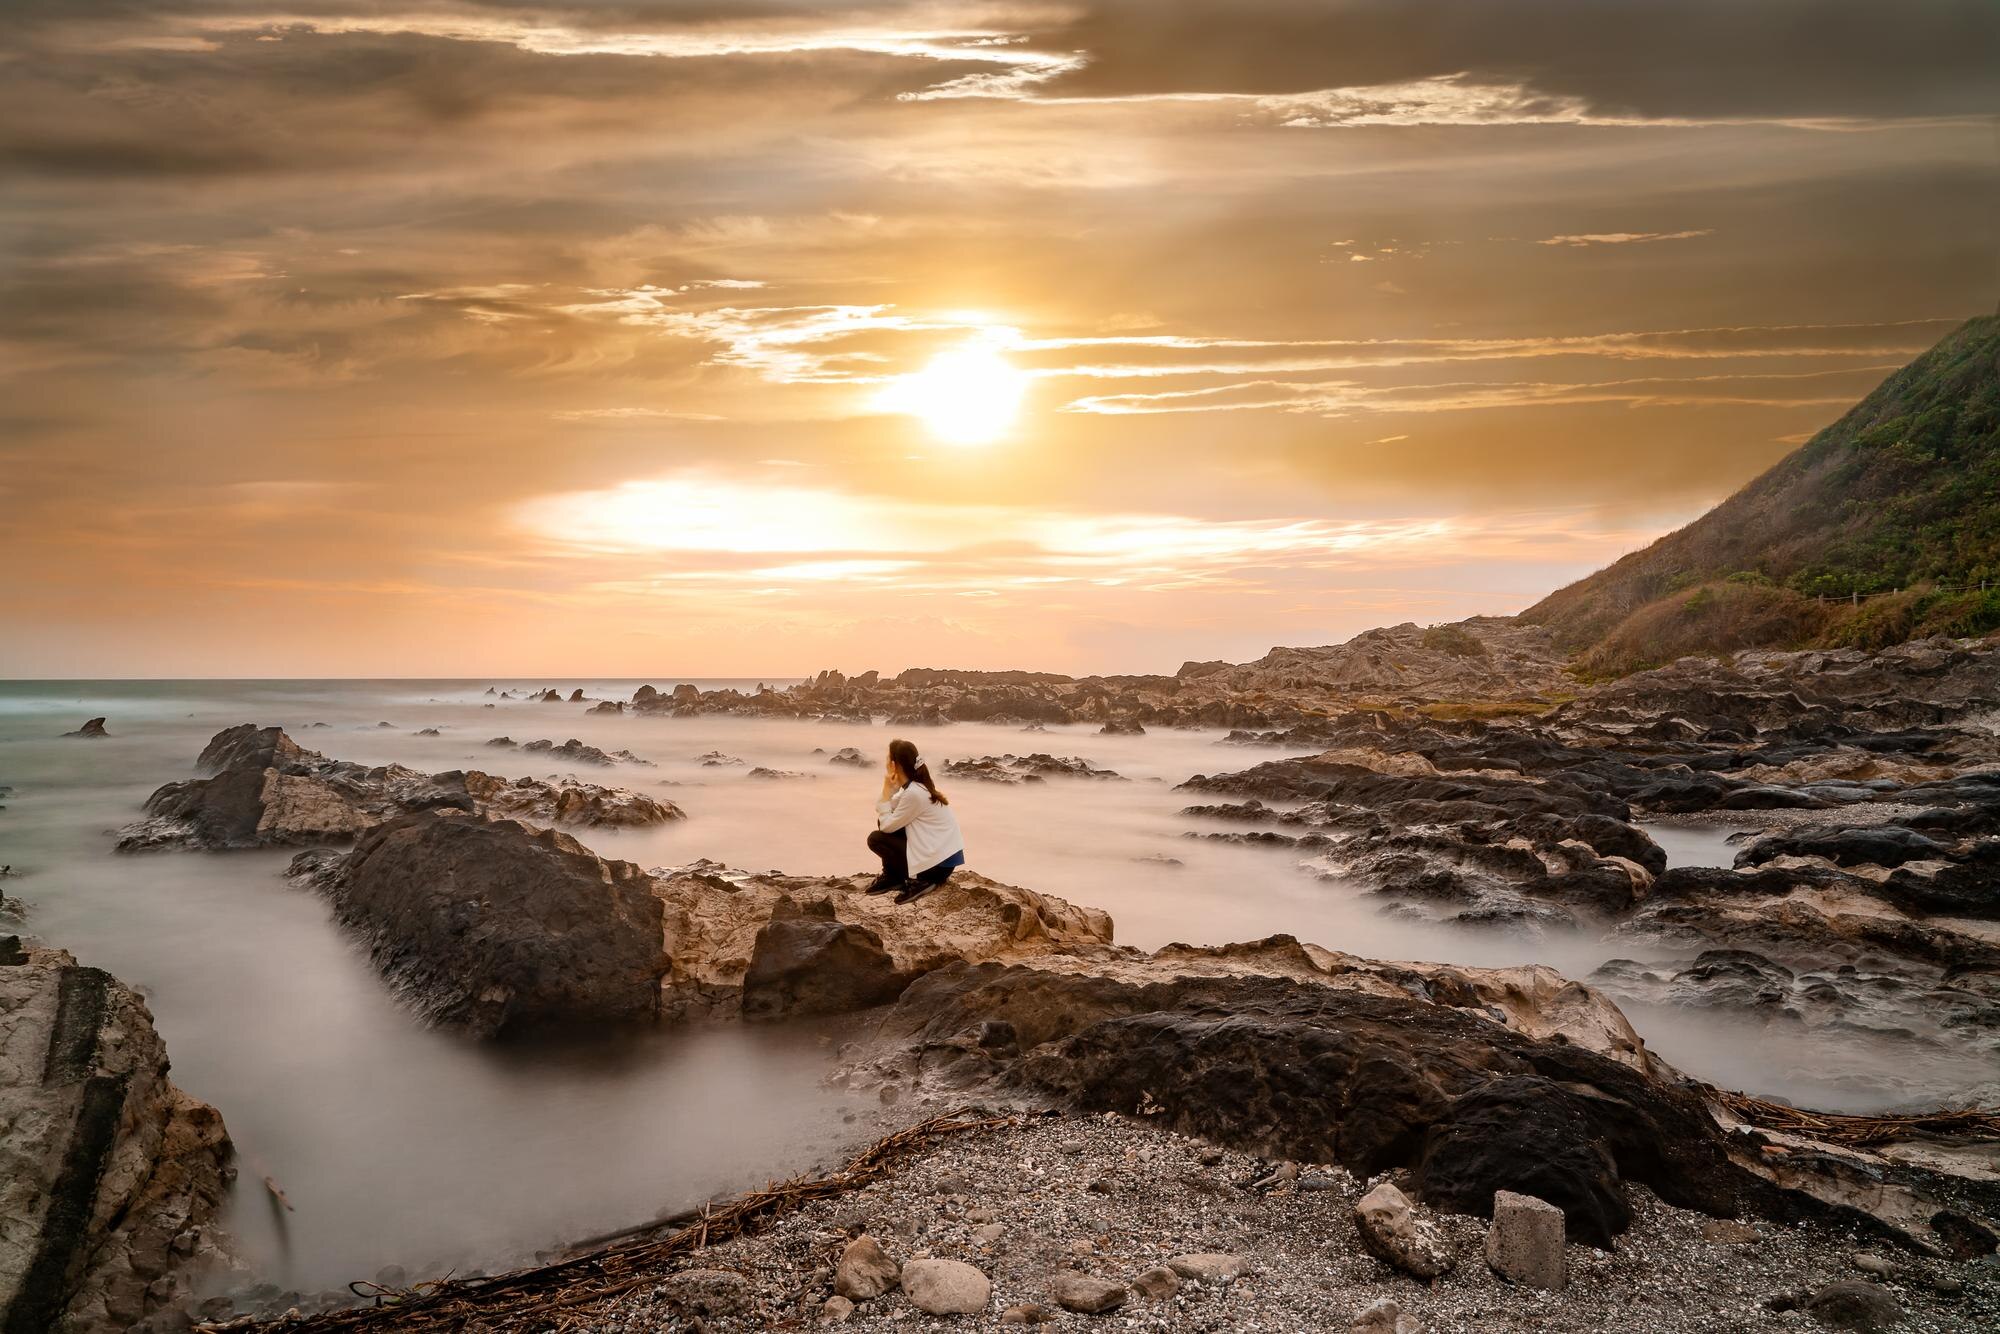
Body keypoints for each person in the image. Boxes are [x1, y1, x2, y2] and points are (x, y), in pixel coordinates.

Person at [866, 738, 964, 903]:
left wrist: (886, 791)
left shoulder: (914, 793)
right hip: (941, 861)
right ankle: (893, 877)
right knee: (886, 822)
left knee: (876, 838)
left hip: (937, 867)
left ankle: (920, 880)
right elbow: (890, 810)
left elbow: (886, 826)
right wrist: (891, 789)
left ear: (894, 764)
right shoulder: (916, 788)